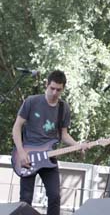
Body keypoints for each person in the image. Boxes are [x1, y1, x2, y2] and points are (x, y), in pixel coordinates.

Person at [12, 70, 86, 215]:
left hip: (49, 157)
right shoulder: (32, 101)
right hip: (28, 156)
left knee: (55, 196)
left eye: (58, 90)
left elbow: (63, 135)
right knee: (25, 199)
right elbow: (16, 127)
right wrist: (20, 152)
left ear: (63, 89)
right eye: (52, 88)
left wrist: (77, 145)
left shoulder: (63, 108)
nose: (54, 92)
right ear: (46, 84)